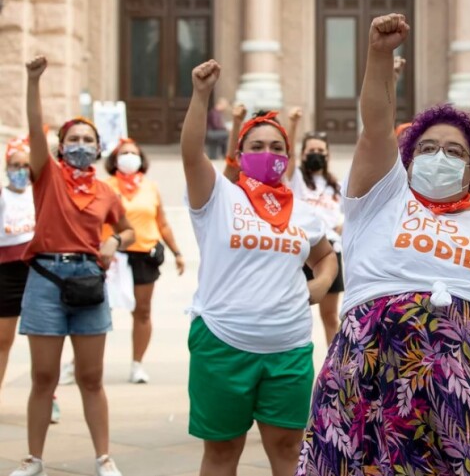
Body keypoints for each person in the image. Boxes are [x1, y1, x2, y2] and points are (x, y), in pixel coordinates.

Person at [296, 13, 470, 475]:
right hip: (373, 387)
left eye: (455, 151)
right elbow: (377, 125)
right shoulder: (382, 197)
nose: (440, 156)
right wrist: (380, 54)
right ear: (408, 157)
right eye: (428, 147)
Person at [181, 59, 337, 476]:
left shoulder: (302, 213)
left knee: (288, 450)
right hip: (222, 344)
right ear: (239, 153)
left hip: (288, 349)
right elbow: (191, 152)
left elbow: (324, 257)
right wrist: (200, 95)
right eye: (256, 146)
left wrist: (320, 287)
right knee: (222, 452)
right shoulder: (217, 197)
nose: (267, 153)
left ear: (287, 156)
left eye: (276, 147)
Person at [13, 55, 135, 476]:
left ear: (99, 148)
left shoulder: (106, 190)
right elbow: (33, 127)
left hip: (87, 281)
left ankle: (104, 456)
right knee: (43, 376)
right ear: (61, 145)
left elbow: (129, 230)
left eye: (88, 139)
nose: (81, 145)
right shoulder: (47, 175)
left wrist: (115, 240)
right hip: (45, 279)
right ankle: (34, 458)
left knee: (90, 377)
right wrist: (32, 82)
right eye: (73, 139)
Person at [103, 139, 185, 384]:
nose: (129, 157)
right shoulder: (105, 187)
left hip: (144, 255)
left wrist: (177, 252)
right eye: (124, 153)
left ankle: (137, 364)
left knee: (142, 311)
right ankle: (81, 362)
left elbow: (162, 223)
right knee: (98, 310)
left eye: (133, 153)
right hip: (112, 255)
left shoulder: (150, 187)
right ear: (114, 160)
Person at [287, 130, 344, 346]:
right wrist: (293, 124)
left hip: (331, 251)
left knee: (330, 316)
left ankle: (335, 366)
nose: (316, 154)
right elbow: (288, 156)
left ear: (328, 154)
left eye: (321, 150)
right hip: (302, 248)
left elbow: (343, 214)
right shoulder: (296, 179)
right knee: (298, 313)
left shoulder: (335, 185)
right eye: (311, 150)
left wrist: (342, 225)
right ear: (302, 154)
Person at [0, 137, 35, 400]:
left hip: (37, 270)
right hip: (6, 273)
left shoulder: (40, 194)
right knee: (3, 340)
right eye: (15, 165)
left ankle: (48, 396)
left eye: (25, 165)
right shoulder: (3, 196)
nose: (20, 170)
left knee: (44, 339)